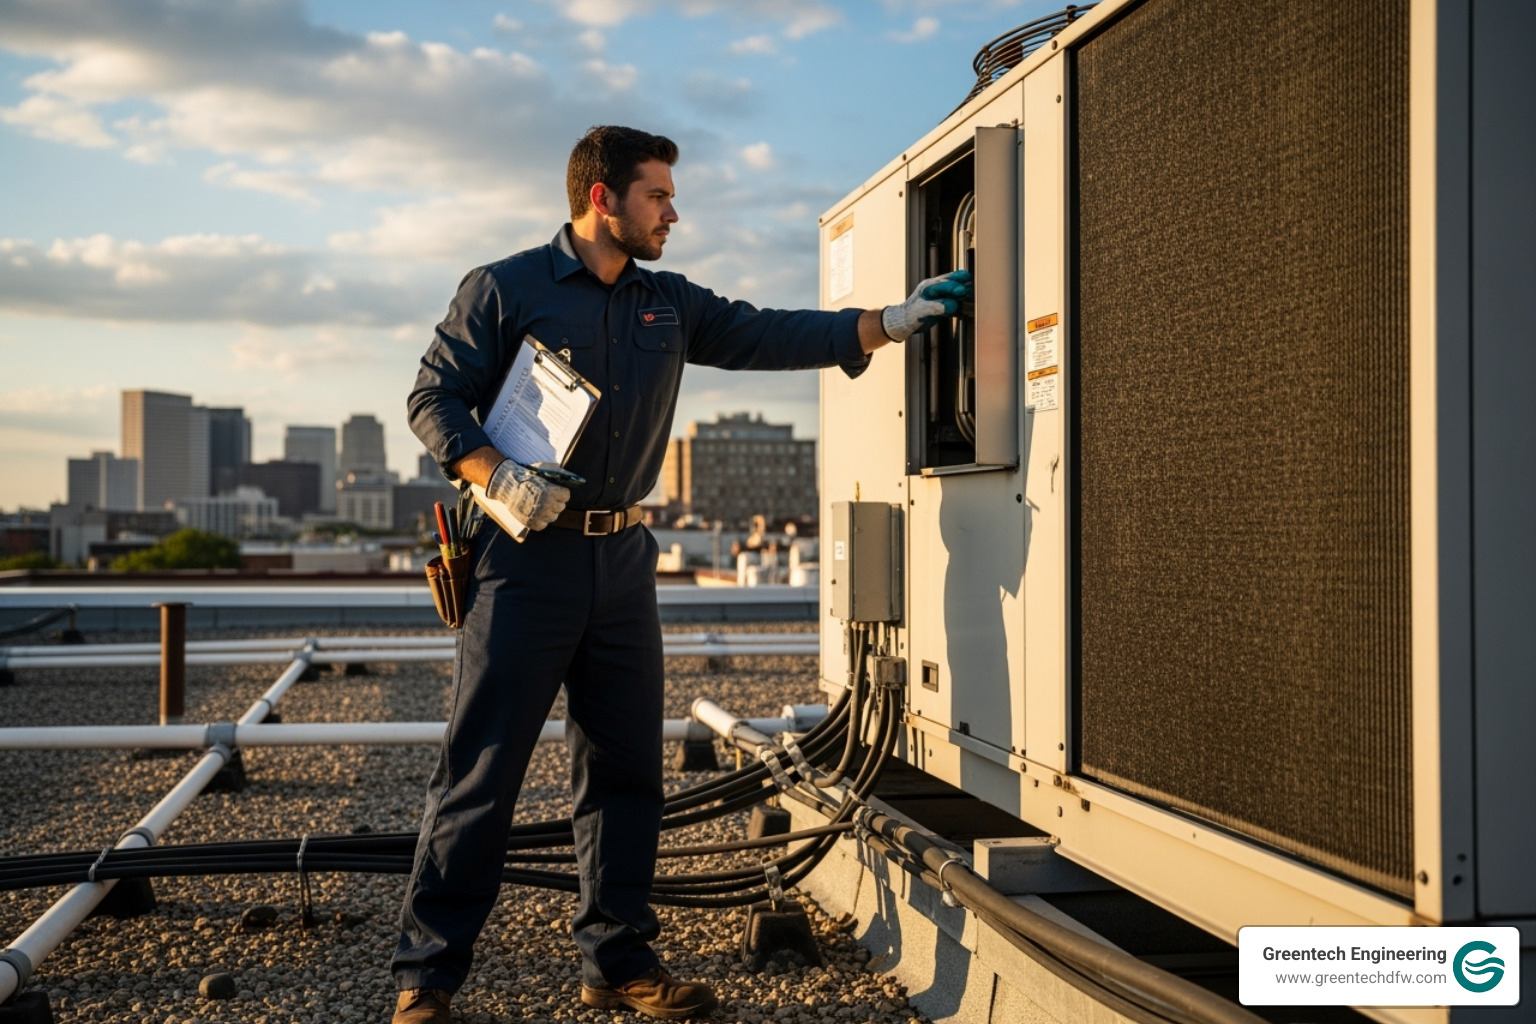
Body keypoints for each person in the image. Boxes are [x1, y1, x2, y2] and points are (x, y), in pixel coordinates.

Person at [392, 124, 970, 1024]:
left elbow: (766, 333)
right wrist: (489, 471)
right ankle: (426, 976)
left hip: (622, 560)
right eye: (657, 195)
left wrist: (887, 323)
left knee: (625, 773)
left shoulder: (668, 302)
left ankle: (618, 961)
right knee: (483, 771)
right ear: (602, 199)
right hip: (521, 559)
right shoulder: (506, 287)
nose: (672, 211)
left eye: (668, 194)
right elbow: (432, 397)